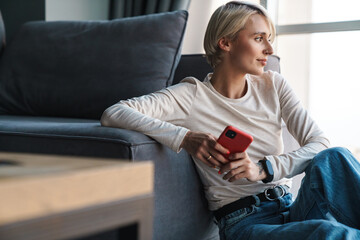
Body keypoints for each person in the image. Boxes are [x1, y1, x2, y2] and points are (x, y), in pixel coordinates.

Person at [101, 1, 360, 239]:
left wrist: (263, 168)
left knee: (334, 156)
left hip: (291, 207)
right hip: (245, 223)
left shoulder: (274, 85)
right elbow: (114, 113)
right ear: (226, 43)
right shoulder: (191, 96)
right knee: (330, 234)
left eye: (269, 39)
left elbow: (319, 143)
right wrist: (186, 138)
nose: (269, 49)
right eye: (259, 38)